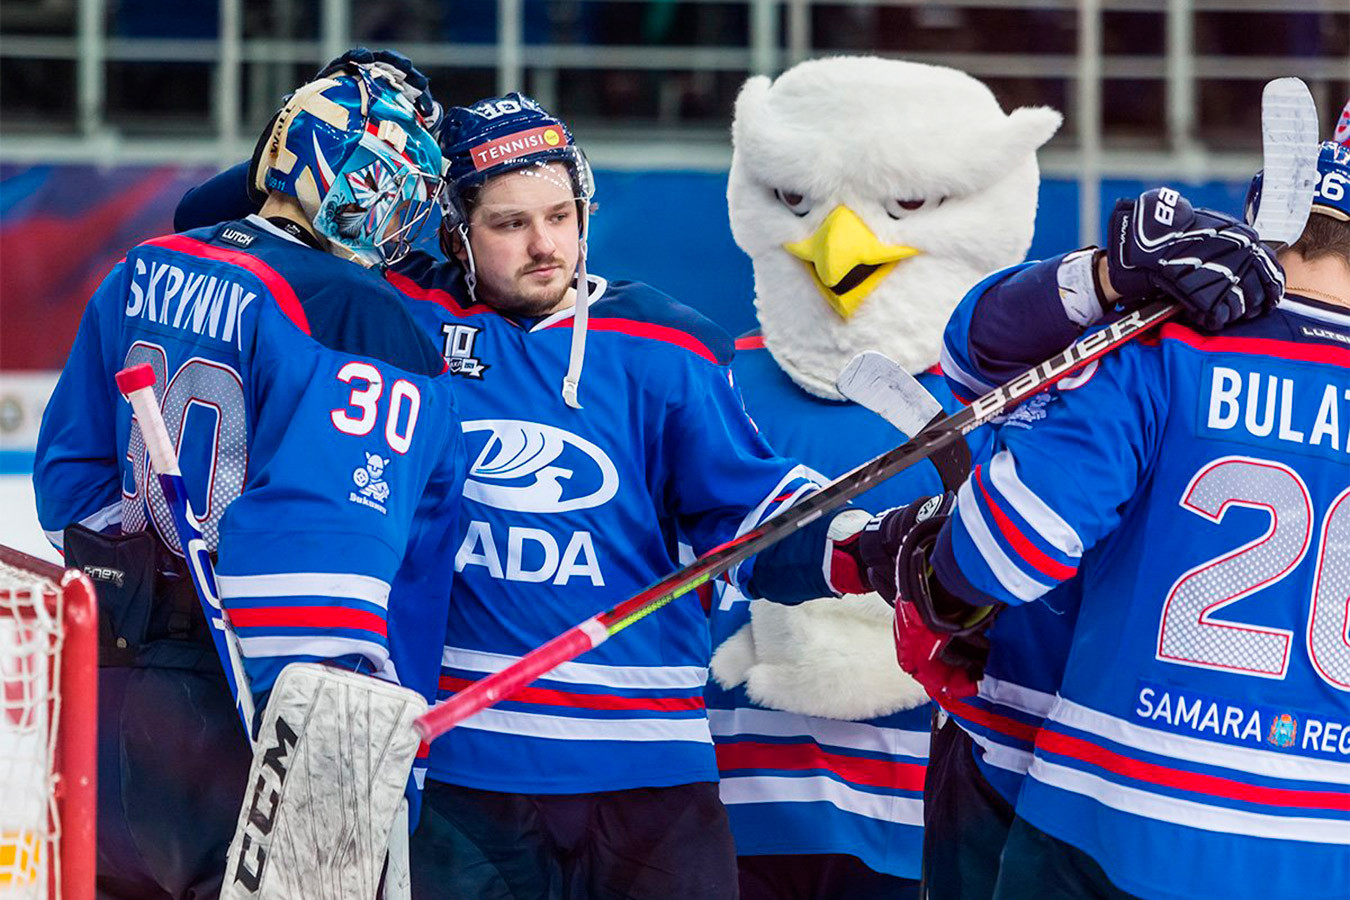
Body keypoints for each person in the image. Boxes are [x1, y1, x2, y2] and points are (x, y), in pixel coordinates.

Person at [175, 66, 905, 899]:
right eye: (510, 224)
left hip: (647, 774)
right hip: (459, 767)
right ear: (455, 230)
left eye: (561, 217)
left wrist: (859, 546)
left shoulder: (664, 343)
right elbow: (210, 225)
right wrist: (325, 108)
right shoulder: (391, 318)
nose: (545, 245)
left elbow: (744, 508)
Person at [34, 66, 466, 899]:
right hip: (249, 727)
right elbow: (317, 566)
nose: (400, 217)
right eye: (387, 181)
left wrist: (146, 596)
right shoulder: (353, 310)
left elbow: (66, 482)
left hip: (112, 702)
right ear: (321, 167)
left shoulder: (145, 266)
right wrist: (332, 769)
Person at [884, 145, 1348, 900]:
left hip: (1108, 813)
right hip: (1324, 845)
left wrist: (933, 555)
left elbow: (1003, 553)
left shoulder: (1170, 344)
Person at [705, 56, 1058, 900]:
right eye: (798, 201)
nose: (839, 245)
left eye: (907, 204)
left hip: (930, 813)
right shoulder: (705, 383)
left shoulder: (1037, 405)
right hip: (732, 804)